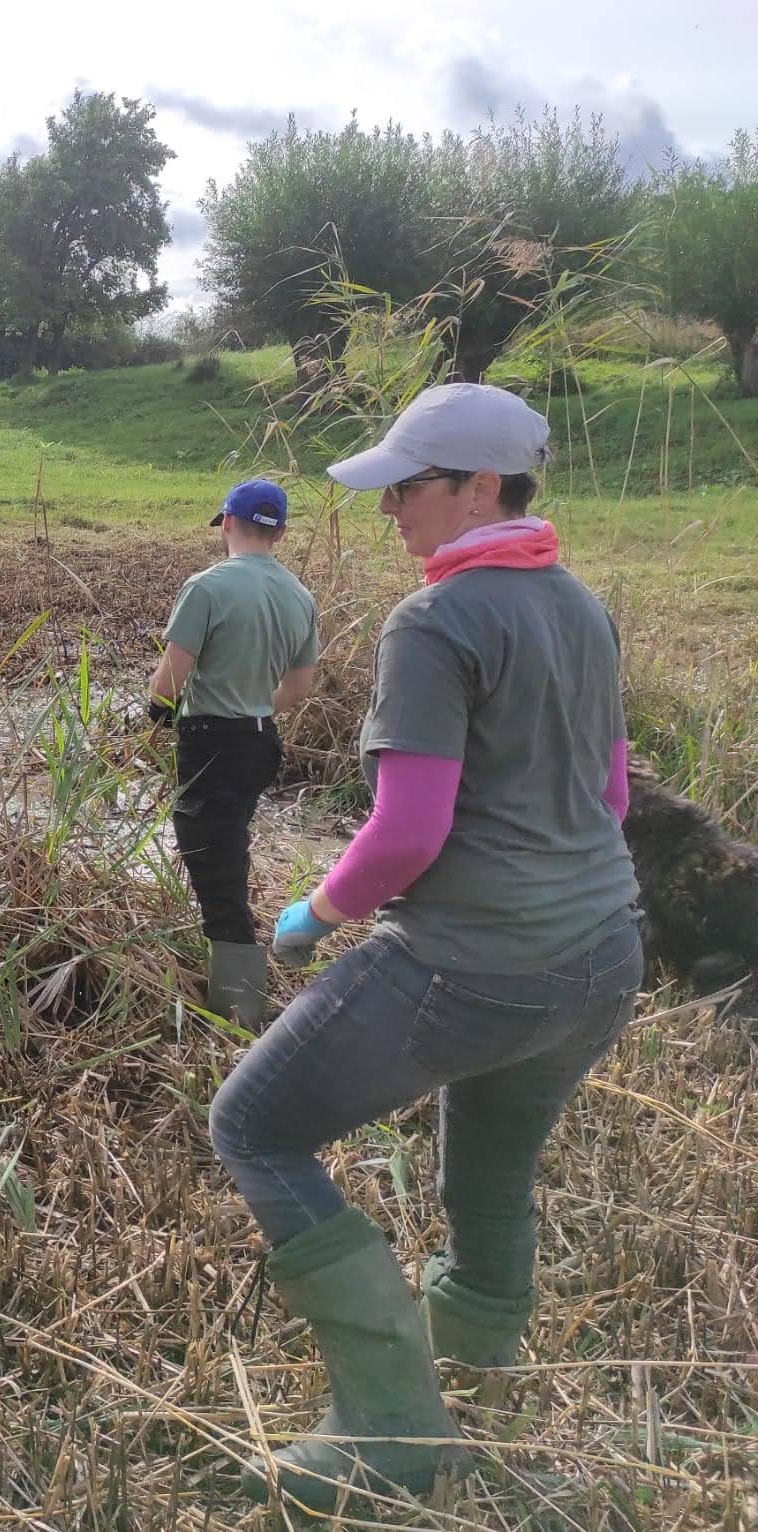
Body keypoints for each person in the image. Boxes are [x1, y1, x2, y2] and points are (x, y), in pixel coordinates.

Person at [206, 385, 641, 1510]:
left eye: (410, 486)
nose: (391, 507)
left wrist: (309, 916)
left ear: (479, 487)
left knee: (251, 1121)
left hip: (472, 960)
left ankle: (393, 1429)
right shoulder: (579, 606)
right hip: (600, 950)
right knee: (488, 1161)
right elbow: (607, 788)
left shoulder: (435, 622)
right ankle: (475, 1357)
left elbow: (406, 831)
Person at [148, 479, 319, 1027]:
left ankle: (242, 1010)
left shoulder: (207, 586)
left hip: (210, 743)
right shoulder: (300, 596)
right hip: (257, 741)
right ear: (282, 532)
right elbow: (297, 688)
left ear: (226, 522)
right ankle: (239, 987)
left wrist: (153, 719)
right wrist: (251, 707)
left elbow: (171, 678)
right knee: (229, 853)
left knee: (216, 872)